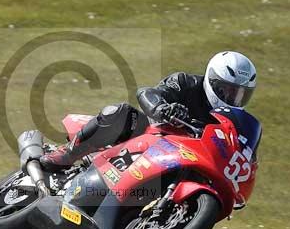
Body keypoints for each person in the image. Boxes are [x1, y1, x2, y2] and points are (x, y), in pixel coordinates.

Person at [40, 51, 258, 171]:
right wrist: (163, 108)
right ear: (211, 80)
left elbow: (241, 153)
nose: (232, 99)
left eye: (240, 94)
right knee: (121, 112)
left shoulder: (233, 120)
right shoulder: (186, 82)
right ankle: (68, 153)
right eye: (227, 91)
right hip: (152, 139)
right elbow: (148, 92)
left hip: (186, 159)